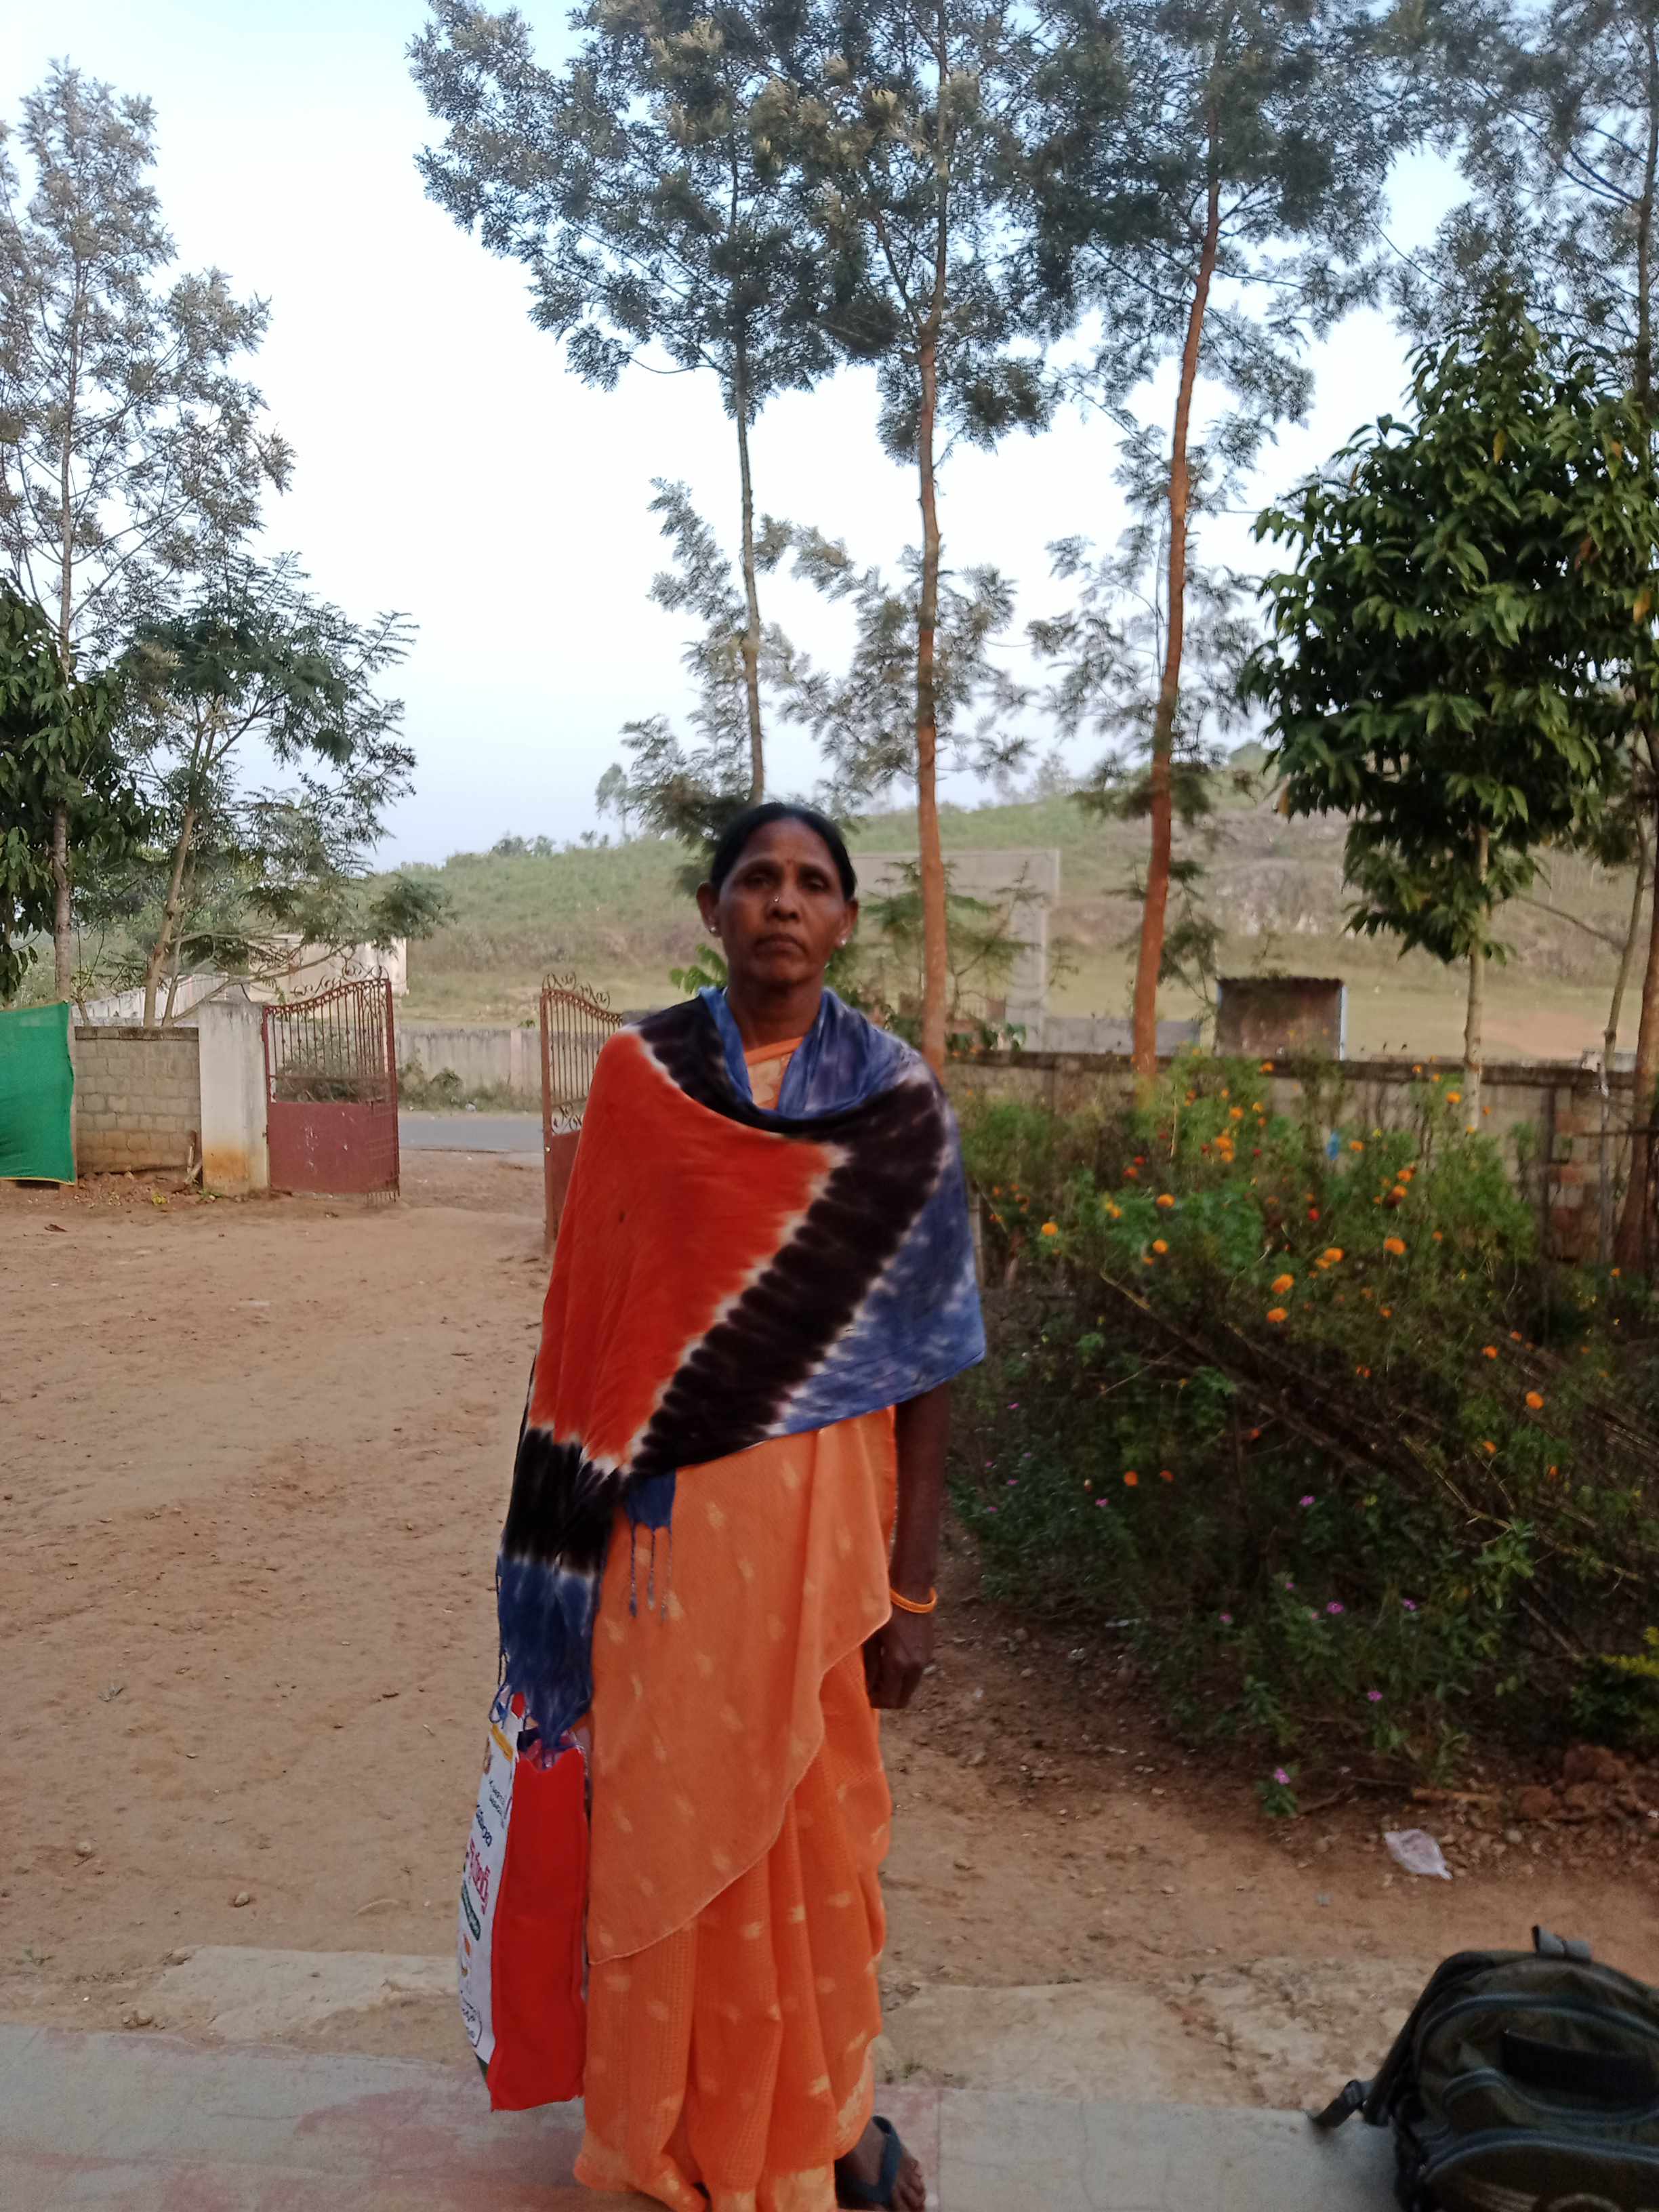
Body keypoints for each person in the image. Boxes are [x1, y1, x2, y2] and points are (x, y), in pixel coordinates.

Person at [493, 801, 984, 2212]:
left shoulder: (895, 1104)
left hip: (826, 1553)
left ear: (846, 920)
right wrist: (558, 1562)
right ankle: (659, 2133)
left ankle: (814, 2127)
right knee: (661, 1834)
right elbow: (589, 1321)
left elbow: (936, 1356)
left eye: (812, 882)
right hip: (662, 1554)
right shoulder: (643, 1081)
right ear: (711, 910)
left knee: (814, 1841)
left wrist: (914, 1591)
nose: (782, 901)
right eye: (756, 879)